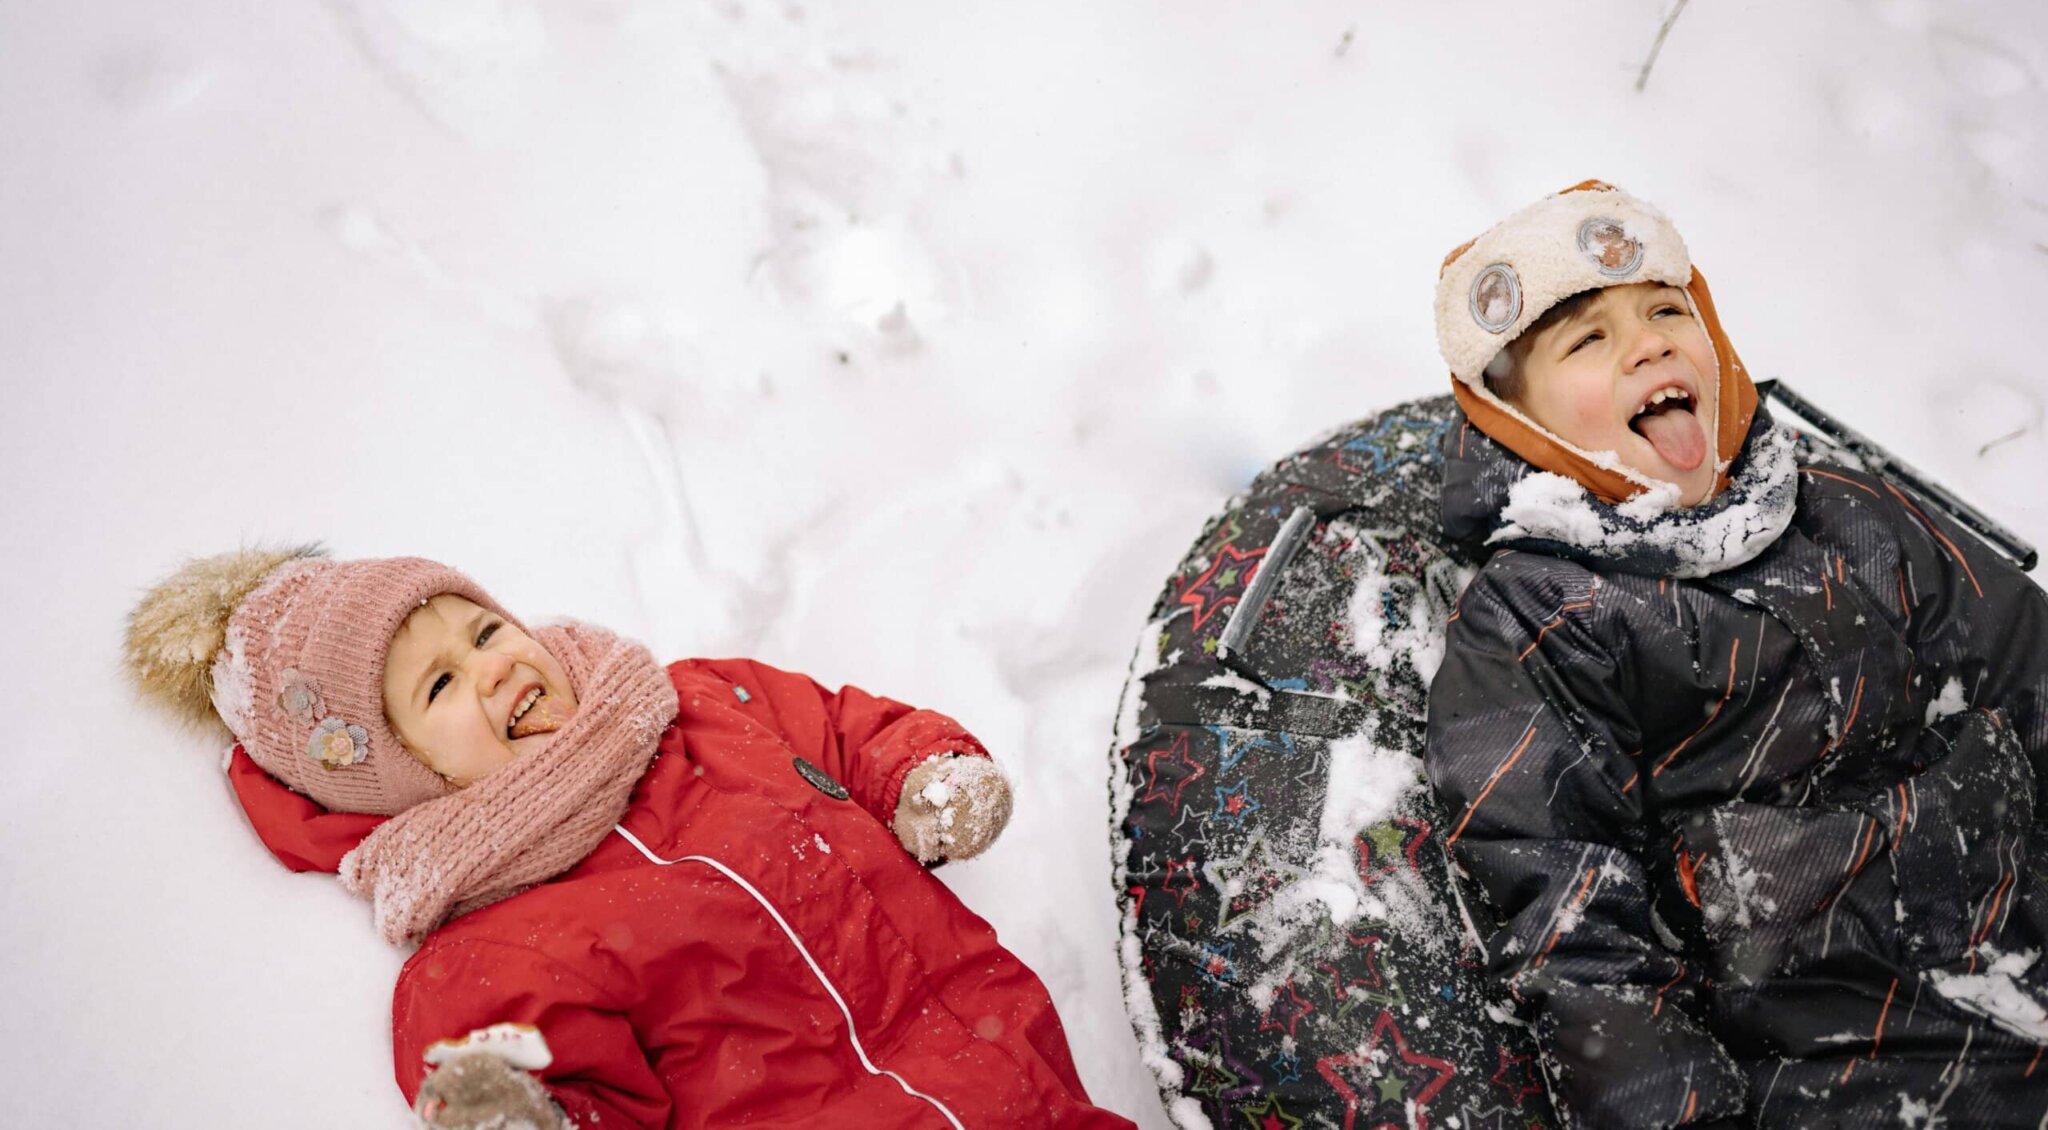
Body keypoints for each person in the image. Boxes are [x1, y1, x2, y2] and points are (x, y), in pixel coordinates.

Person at [1423, 180, 2048, 1127]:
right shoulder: (1539, 616)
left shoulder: (1843, 512)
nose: (1649, 345)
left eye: (1668, 311)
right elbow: (1567, 916)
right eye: (1588, 341)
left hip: (2015, 916)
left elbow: (2025, 668)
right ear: (1522, 424)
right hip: (1840, 1041)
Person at [124, 547, 1133, 1129]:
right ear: (396, 774)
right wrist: (520, 1110)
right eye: (439, 686)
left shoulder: (692, 702)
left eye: (484, 630)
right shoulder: (492, 944)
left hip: (1013, 1069)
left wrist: (922, 773)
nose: (492, 667)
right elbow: (560, 1082)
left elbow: (837, 725)